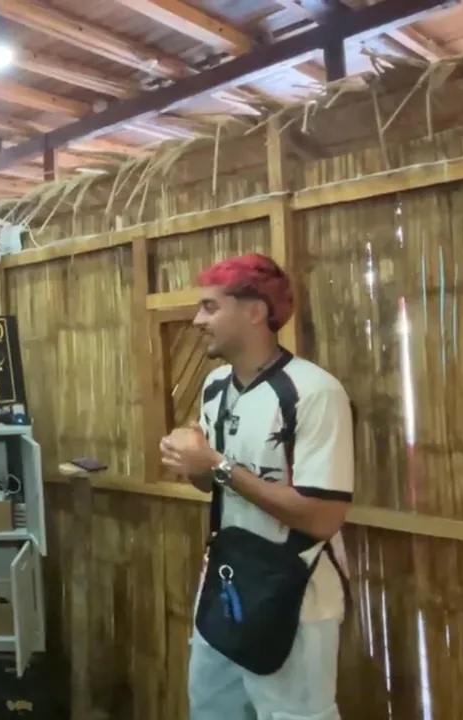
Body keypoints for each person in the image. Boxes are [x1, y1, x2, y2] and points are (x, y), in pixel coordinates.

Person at [159, 254, 354, 720]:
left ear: (255, 312)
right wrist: (192, 462)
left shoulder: (314, 392)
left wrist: (218, 465)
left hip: (296, 596)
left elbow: (323, 517)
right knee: (212, 711)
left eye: (210, 307)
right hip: (226, 587)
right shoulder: (214, 386)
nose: (197, 320)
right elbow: (211, 485)